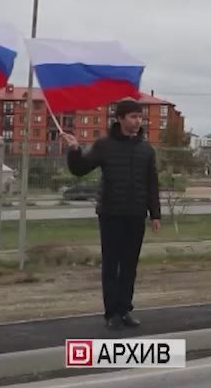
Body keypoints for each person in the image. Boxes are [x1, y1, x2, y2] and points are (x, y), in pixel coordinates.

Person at [62, 99, 161, 330]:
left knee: (129, 265)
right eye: (133, 117)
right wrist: (75, 150)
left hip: (136, 215)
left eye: (140, 117)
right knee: (111, 264)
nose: (138, 121)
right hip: (111, 214)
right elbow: (80, 169)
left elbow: (152, 183)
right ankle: (111, 313)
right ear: (120, 118)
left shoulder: (146, 149)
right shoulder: (104, 146)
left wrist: (155, 214)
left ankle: (125, 309)